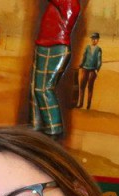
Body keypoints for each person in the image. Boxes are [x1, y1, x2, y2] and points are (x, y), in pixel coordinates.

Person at [30, 0, 81, 138]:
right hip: (46, 44)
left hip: (54, 46)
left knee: (43, 89)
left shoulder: (70, 2)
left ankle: (53, 129)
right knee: (35, 88)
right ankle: (36, 126)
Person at [76, 32, 102, 110]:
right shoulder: (87, 47)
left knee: (90, 87)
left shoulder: (98, 49)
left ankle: (88, 106)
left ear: (98, 40)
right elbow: (84, 57)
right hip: (85, 69)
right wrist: (80, 65)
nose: (94, 40)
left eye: (96, 39)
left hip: (92, 70)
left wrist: (97, 69)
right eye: (93, 39)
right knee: (82, 86)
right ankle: (80, 104)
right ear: (91, 39)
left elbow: (99, 61)